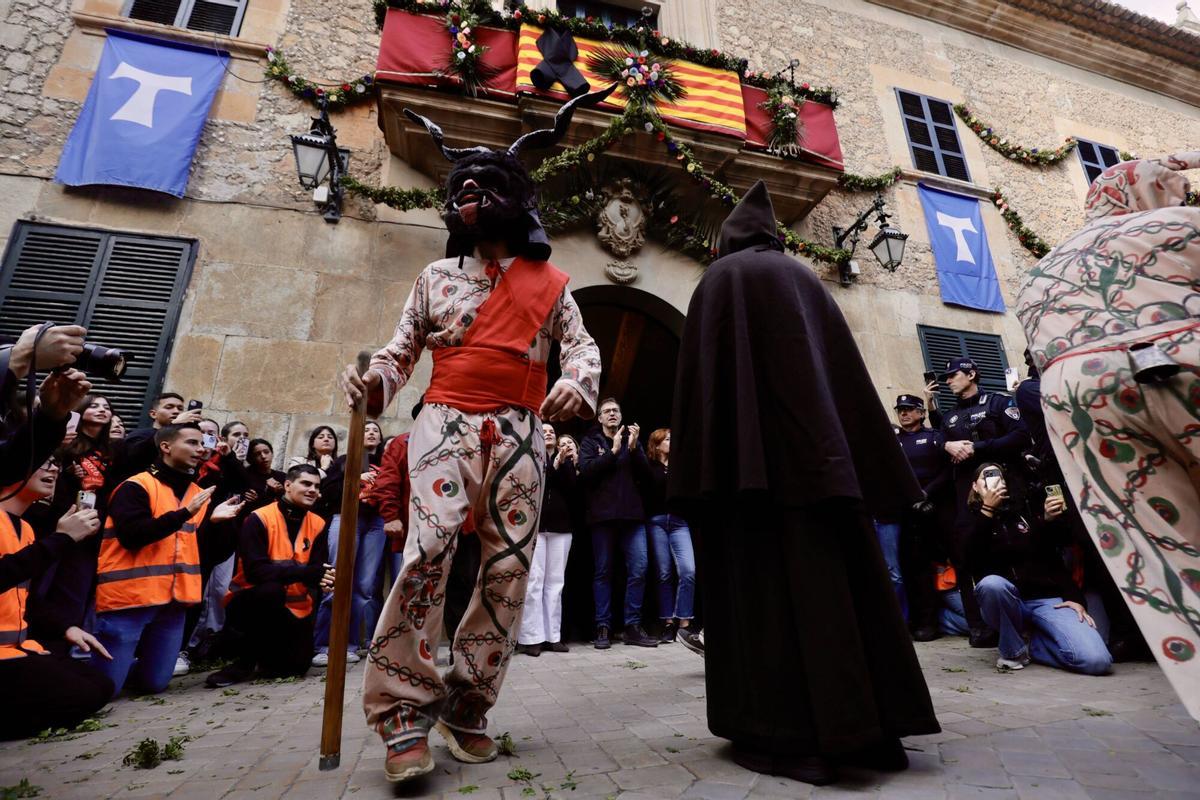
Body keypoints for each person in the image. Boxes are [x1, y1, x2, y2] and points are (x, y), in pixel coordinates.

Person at [341, 87, 607, 783]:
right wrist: (374, 387)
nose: (472, 195)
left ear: (516, 200)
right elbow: (399, 354)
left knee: (508, 570)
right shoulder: (433, 277)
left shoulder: (552, 284)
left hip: (522, 432)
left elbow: (582, 349)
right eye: (464, 184)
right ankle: (401, 712)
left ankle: (467, 705)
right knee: (427, 550)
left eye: (487, 185)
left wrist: (577, 385)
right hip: (445, 421)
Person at [669, 181, 939, 786]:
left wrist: (700, 476)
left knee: (766, 605)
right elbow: (845, 386)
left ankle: (786, 737)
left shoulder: (719, 283)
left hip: (749, 487)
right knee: (839, 598)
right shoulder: (806, 281)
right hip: (824, 477)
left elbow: (703, 393)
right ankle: (869, 732)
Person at [1016, 152, 1200, 718]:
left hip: (1082, 401)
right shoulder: (1176, 224)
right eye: (1175, 189)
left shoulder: (1038, 272)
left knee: (1167, 551)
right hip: (1181, 360)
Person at [92, 422, 244, 697]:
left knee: (154, 684)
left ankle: (127, 665)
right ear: (165, 446)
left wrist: (218, 523)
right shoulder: (136, 486)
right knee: (105, 690)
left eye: (203, 444)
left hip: (174, 603)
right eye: (192, 443)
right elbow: (133, 536)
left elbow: (207, 553)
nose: (200, 449)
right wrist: (185, 513)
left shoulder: (197, 493)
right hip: (130, 598)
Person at [0, 457, 114, 739]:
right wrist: (62, 539)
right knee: (81, 695)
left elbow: (26, 598)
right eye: (42, 462)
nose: (53, 469)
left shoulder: (24, 528)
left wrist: (67, 627)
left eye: (55, 464)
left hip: (18, 648)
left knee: (99, 684)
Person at [967, 463, 1112, 674]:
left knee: (1097, 661)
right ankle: (1014, 651)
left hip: (1046, 600)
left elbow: (1053, 560)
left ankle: (1033, 644)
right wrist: (988, 510)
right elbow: (972, 562)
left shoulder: (1024, 512)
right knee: (992, 584)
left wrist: (1075, 599)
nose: (994, 481)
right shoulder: (968, 520)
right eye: (986, 477)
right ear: (975, 486)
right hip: (1007, 604)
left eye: (999, 476)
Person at [205, 465, 334, 687]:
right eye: (306, 484)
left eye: (316, 486)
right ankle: (243, 660)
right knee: (270, 591)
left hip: (295, 607)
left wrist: (324, 578)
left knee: (295, 668)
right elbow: (257, 572)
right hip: (250, 601)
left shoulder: (318, 522)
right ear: (287, 485)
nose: (313, 490)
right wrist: (307, 572)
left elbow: (316, 571)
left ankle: (267, 656)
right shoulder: (259, 518)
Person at [938, 356, 1030, 647]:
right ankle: (979, 627)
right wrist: (946, 444)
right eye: (947, 377)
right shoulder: (949, 417)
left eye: (954, 375)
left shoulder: (999, 403)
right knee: (966, 558)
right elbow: (937, 447)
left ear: (972, 374)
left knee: (1017, 549)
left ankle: (1026, 617)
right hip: (967, 498)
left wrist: (977, 448)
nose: (949, 381)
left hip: (1008, 492)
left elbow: (1020, 436)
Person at [578, 399, 657, 649]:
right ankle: (603, 627)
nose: (612, 414)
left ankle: (632, 626)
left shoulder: (631, 442)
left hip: (632, 517)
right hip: (602, 518)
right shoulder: (591, 442)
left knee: (639, 568)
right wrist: (612, 452)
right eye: (607, 412)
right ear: (599, 418)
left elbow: (647, 476)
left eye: (616, 411)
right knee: (603, 572)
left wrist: (634, 450)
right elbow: (586, 472)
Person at [311, 420, 384, 667]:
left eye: (376, 430)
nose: (371, 432)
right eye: (366, 429)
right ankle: (323, 645)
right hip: (345, 518)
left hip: (376, 523)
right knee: (336, 579)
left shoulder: (386, 462)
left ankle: (351, 645)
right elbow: (328, 493)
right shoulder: (344, 460)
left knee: (365, 587)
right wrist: (355, 477)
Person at [891, 393, 957, 641]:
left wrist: (927, 494)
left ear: (920, 413)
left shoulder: (933, 437)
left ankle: (943, 622)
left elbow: (948, 469)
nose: (904, 413)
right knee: (911, 568)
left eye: (909, 409)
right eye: (900, 410)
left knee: (939, 563)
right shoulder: (893, 440)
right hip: (906, 512)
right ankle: (921, 622)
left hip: (935, 509)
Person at [517, 427, 578, 656]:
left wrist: (564, 463)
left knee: (556, 582)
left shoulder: (567, 460)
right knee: (534, 581)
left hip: (562, 527)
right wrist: (553, 466)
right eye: (544, 430)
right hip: (535, 527)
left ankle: (553, 636)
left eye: (552, 430)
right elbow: (535, 485)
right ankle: (532, 638)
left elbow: (572, 489)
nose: (549, 433)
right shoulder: (530, 457)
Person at [642, 428, 696, 646]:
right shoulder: (649, 467)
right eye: (667, 439)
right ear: (656, 445)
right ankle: (667, 622)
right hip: (656, 522)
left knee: (688, 570)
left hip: (679, 522)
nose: (671, 441)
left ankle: (684, 622)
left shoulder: (680, 468)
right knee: (664, 573)